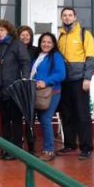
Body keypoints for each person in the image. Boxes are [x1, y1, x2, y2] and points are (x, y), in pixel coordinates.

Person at [57, 7, 94, 161]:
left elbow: (91, 57)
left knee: (82, 114)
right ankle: (69, 144)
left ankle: (86, 147)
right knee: (66, 114)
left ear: (75, 17)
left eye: (70, 15)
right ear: (62, 18)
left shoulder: (84, 34)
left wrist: (87, 78)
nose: (67, 18)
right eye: (64, 15)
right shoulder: (60, 36)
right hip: (64, 81)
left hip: (80, 80)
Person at [0, 19, 31, 160]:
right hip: (0, 89)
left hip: (14, 88)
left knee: (16, 120)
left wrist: (24, 79)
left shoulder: (17, 44)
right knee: (5, 120)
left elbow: (25, 62)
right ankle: (6, 148)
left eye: (2, 30)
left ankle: (16, 150)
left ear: (8, 30)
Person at [31, 32, 66, 162]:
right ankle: (46, 149)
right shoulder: (38, 56)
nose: (46, 44)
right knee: (42, 119)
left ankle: (49, 151)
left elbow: (61, 74)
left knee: (45, 118)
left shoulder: (56, 56)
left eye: (49, 42)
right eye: (43, 42)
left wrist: (45, 81)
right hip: (39, 93)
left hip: (52, 92)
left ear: (53, 44)